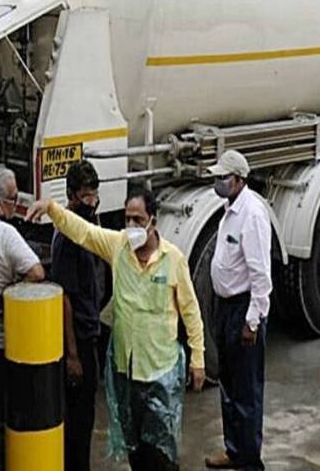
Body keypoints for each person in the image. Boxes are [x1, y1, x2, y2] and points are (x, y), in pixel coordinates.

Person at [27, 190, 205, 471]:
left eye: (138, 219)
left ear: (153, 222)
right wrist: (51, 208)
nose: (132, 226)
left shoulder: (173, 260)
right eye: (127, 219)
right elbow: (83, 233)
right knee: (135, 446)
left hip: (161, 369)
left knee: (162, 450)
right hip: (127, 369)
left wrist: (198, 360)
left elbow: (191, 312)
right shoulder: (118, 246)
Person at [205, 151, 273, 471]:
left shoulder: (253, 214)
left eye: (224, 178)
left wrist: (253, 321)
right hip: (225, 307)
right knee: (229, 385)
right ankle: (234, 451)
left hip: (244, 310)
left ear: (240, 180)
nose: (218, 182)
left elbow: (261, 276)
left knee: (247, 392)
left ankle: (249, 461)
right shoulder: (230, 207)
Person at [0, 164, 44, 471]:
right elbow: (36, 271)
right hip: (0, 342)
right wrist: (11, 292)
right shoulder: (5, 234)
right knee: (2, 421)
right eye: (13, 198)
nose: (17, 204)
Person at [50, 160, 106, 471]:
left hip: (91, 332)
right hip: (78, 341)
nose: (92, 202)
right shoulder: (68, 237)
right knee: (77, 422)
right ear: (71, 195)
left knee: (86, 419)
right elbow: (64, 298)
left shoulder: (88, 228)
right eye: (86, 196)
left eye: (94, 195)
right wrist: (72, 354)